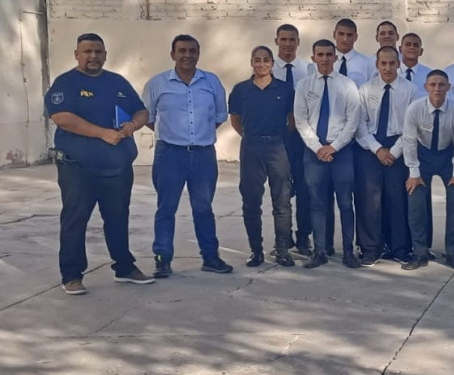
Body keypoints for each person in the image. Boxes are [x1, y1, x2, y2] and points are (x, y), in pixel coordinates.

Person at [46, 33, 154, 295]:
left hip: (117, 168)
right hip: (78, 168)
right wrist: (101, 133)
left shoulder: (117, 82)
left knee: (118, 218)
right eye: (87, 51)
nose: (93, 56)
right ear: (76, 55)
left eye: (98, 51)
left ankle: (124, 268)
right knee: (76, 219)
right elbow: (61, 117)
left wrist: (133, 124)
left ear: (105, 54)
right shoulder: (66, 83)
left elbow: (141, 110)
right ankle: (71, 275)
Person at [143, 34, 232, 277]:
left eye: (192, 51)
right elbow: (147, 117)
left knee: (203, 208)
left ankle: (210, 256)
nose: (187, 55)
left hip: (203, 155)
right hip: (169, 154)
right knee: (166, 208)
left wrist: (197, 137)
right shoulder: (157, 83)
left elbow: (219, 115)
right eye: (181, 51)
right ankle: (162, 258)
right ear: (173, 54)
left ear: (198, 54)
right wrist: (176, 135)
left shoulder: (211, 82)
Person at [294, 39, 364, 269]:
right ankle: (320, 251)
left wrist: (333, 148)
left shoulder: (347, 85)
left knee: (345, 203)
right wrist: (318, 148)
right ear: (313, 57)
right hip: (314, 153)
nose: (324, 59)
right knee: (317, 203)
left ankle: (348, 252)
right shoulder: (304, 86)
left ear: (335, 57)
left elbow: (353, 121)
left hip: (341, 152)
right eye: (320, 54)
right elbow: (301, 120)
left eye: (328, 54)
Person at [229, 46, 296, 268]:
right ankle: (256, 251)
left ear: (272, 63)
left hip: (277, 146)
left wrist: (276, 139)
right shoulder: (241, 90)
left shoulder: (285, 89)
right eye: (257, 60)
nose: (261, 64)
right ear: (251, 63)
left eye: (266, 60)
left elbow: (292, 119)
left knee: (282, 201)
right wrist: (252, 137)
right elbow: (236, 120)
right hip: (251, 147)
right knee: (251, 201)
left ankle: (283, 250)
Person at [403, 70, 454, 270]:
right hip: (423, 155)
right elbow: (408, 141)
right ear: (425, 87)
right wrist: (414, 173)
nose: (437, 89)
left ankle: (453, 253)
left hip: (449, 156)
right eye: (433, 85)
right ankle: (419, 253)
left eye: (441, 85)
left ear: (448, 87)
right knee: (415, 202)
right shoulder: (414, 109)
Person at [355, 46, 418, 266]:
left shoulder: (410, 90)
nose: (388, 67)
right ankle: (370, 248)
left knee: (397, 199)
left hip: (398, 147)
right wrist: (377, 149)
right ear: (377, 65)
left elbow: (412, 126)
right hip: (371, 148)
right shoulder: (365, 89)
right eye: (384, 63)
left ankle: (400, 247)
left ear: (399, 64)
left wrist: (394, 151)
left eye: (392, 63)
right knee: (369, 201)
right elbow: (359, 123)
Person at [272, 24, 319, 256]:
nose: (288, 44)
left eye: (292, 39)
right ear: (276, 41)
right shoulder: (268, 69)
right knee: (280, 190)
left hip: (302, 138)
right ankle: (282, 238)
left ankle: (304, 238)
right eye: (284, 39)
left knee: (305, 189)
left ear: (298, 42)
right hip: (277, 139)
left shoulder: (308, 70)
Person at [333, 19, 375, 88]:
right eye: (341, 34)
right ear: (334, 35)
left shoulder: (367, 64)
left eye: (349, 35)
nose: (345, 39)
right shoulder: (325, 62)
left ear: (356, 37)